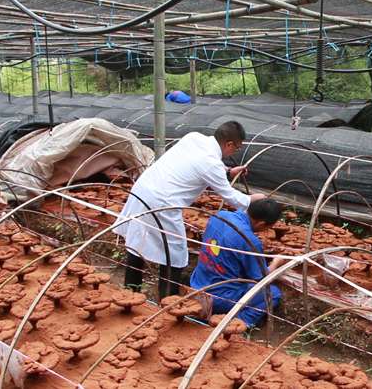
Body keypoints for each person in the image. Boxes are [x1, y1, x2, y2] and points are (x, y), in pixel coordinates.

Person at [114, 121, 265, 298]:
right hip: (162, 202)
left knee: (137, 240)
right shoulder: (211, 164)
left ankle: (130, 292)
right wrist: (254, 199)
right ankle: (167, 301)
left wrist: (229, 171)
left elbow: (197, 163)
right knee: (175, 252)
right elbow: (232, 198)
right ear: (229, 144)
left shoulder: (194, 138)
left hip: (143, 189)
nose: (234, 152)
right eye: (236, 148)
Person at [190, 198, 285, 327]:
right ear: (261, 223)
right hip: (220, 299)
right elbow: (261, 279)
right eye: (269, 227)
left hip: (196, 287)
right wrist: (276, 262)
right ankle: (236, 323)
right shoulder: (249, 240)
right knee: (273, 293)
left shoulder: (219, 216)